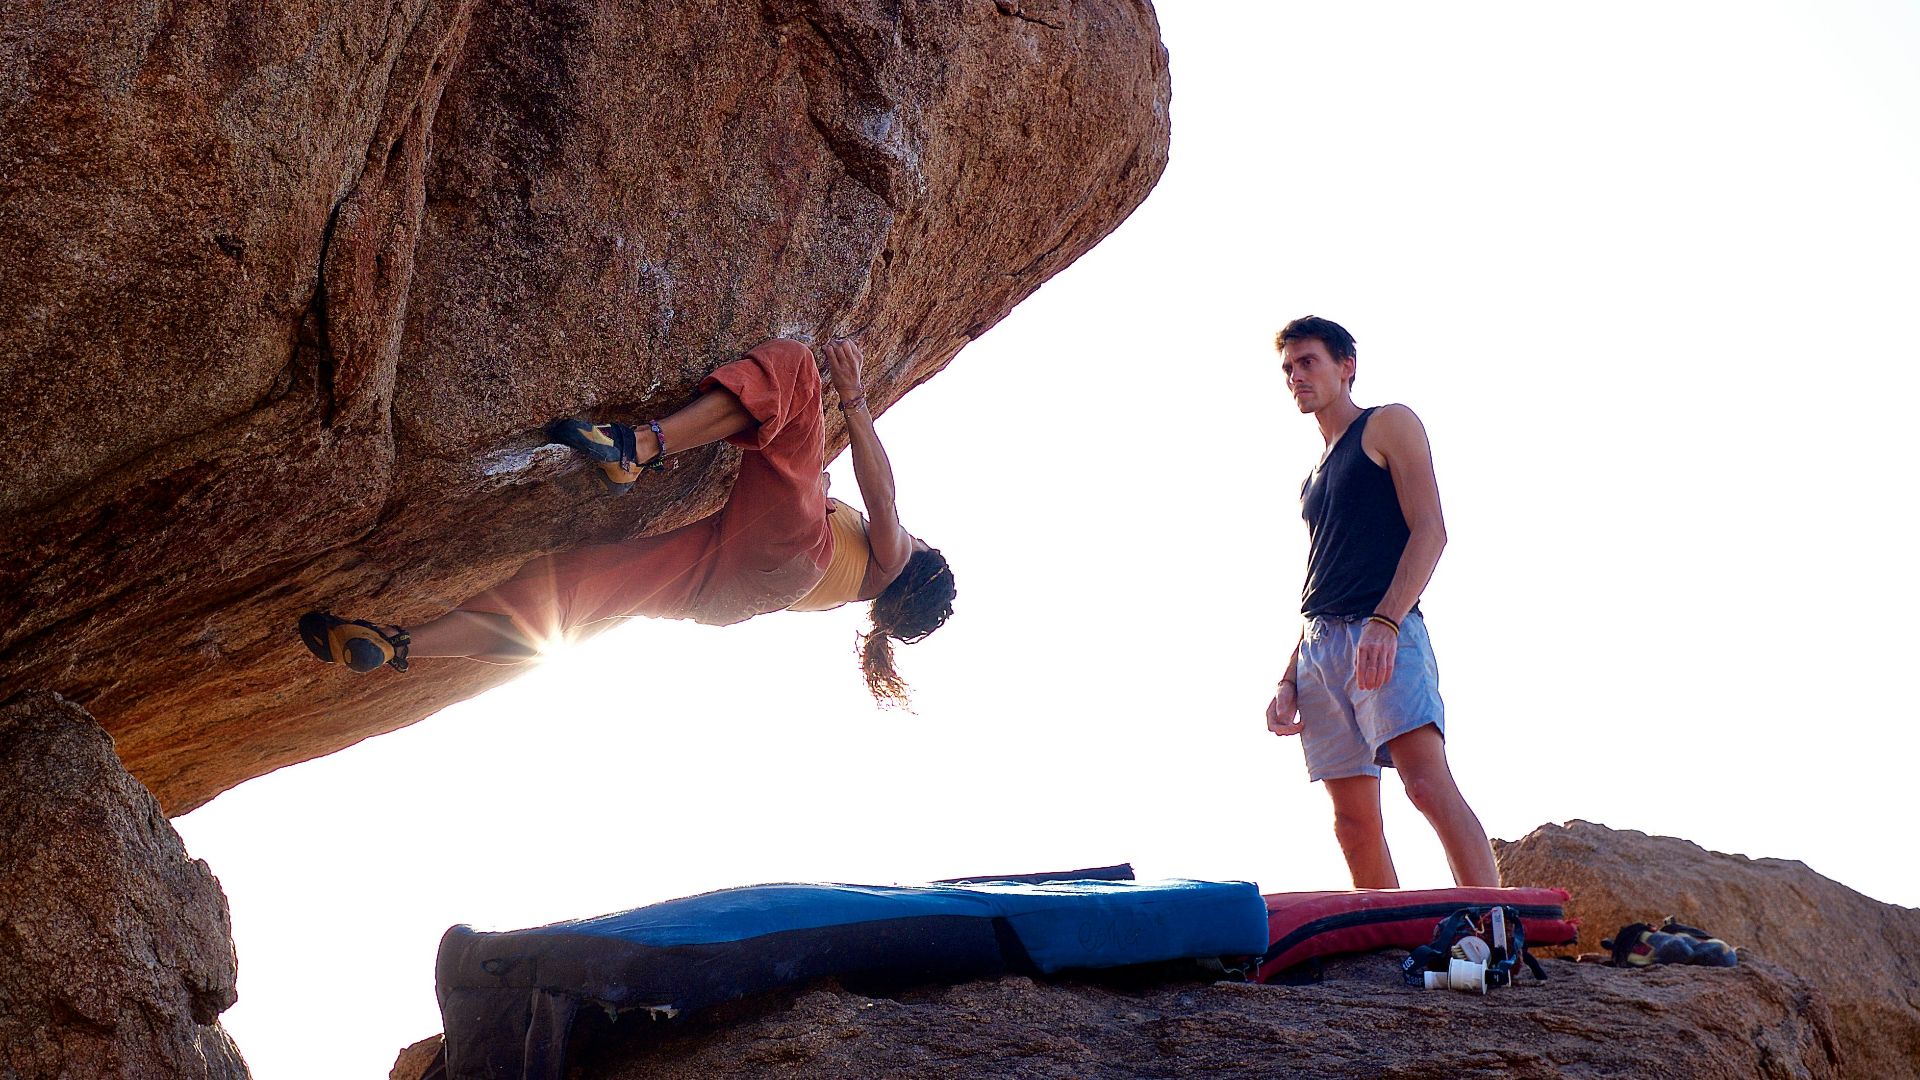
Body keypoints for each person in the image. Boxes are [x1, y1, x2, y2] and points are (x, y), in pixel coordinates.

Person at [298, 338, 955, 706]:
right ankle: (400, 645)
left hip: (781, 553)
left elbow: (885, 499)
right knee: (570, 592)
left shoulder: (888, 560)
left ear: (915, 567)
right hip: (729, 594)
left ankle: (637, 447)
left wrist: (856, 396)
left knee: (795, 377)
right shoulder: (845, 588)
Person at [1264, 316, 1499, 888]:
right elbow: (1323, 576)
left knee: (1425, 785)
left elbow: (1431, 531)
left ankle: (1495, 927)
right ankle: (1383, 952)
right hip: (1320, 645)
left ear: (1346, 367)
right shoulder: (1312, 476)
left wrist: (1386, 620)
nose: (1297, 376)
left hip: (1382, 632)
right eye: (1288, 368)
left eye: (1308, 362)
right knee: (1351, 822)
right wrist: (1287, 677)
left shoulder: (1387, 424)